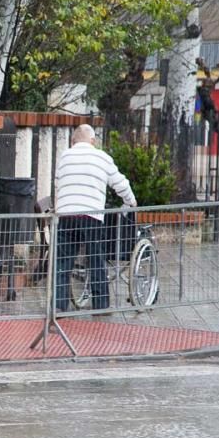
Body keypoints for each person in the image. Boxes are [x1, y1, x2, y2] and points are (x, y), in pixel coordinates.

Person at [54, 124, 137, 312]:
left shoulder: (65, 156)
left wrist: (59, 208)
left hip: (66, 214)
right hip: (91, 215)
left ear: (73, 141)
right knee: (96, 258)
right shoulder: (102, 157)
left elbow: (58, 184)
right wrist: (131, 201)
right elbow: (120, 184)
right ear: (93, 141)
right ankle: (100, 305)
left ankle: (59, 306)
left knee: (63, 261)